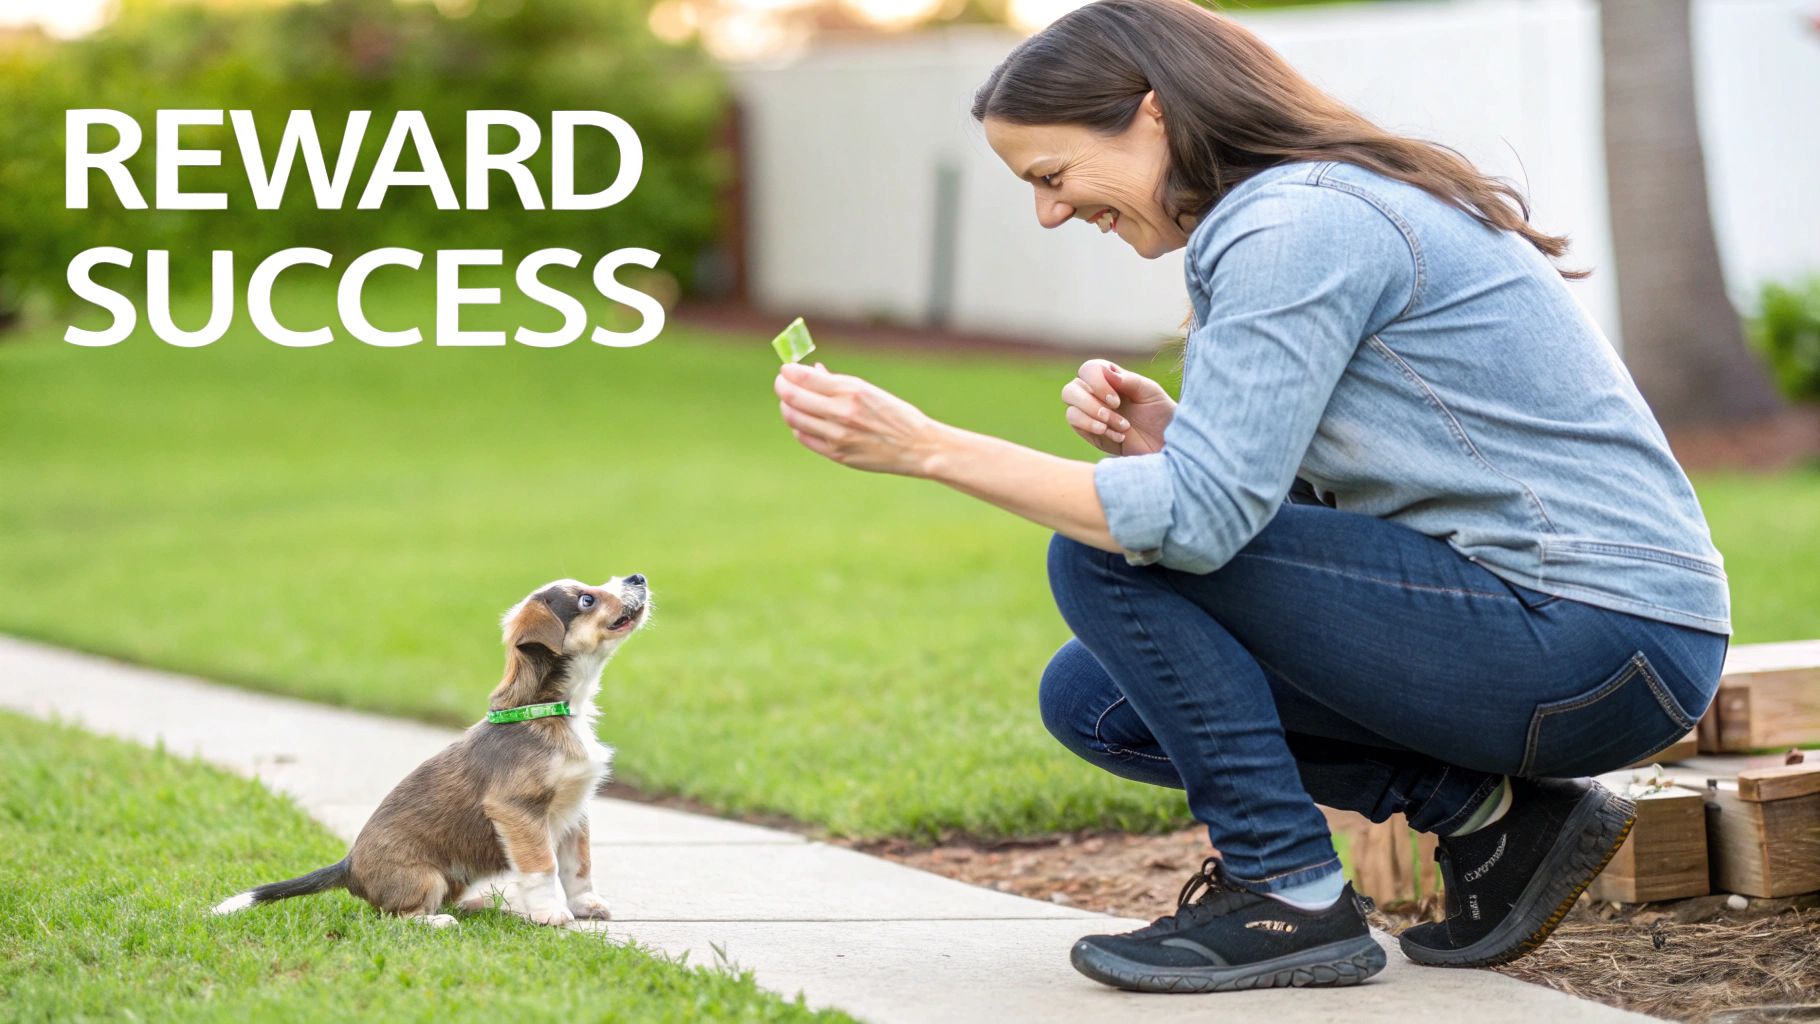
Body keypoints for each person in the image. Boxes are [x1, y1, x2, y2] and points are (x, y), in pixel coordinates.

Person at [771, 0, 1730, 994]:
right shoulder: (1304, 210)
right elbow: (1357, 486)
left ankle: (1288, 896)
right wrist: (1175, 440)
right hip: (1580, 640)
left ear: (1151, 115)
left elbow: (1188, 523)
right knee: (1097, 700)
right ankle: (1497, 818)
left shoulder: (1290, 221)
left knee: (1104, 547)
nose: (1049, 213)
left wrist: (923, 445)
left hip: (1594, 639)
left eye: (1050, 177)